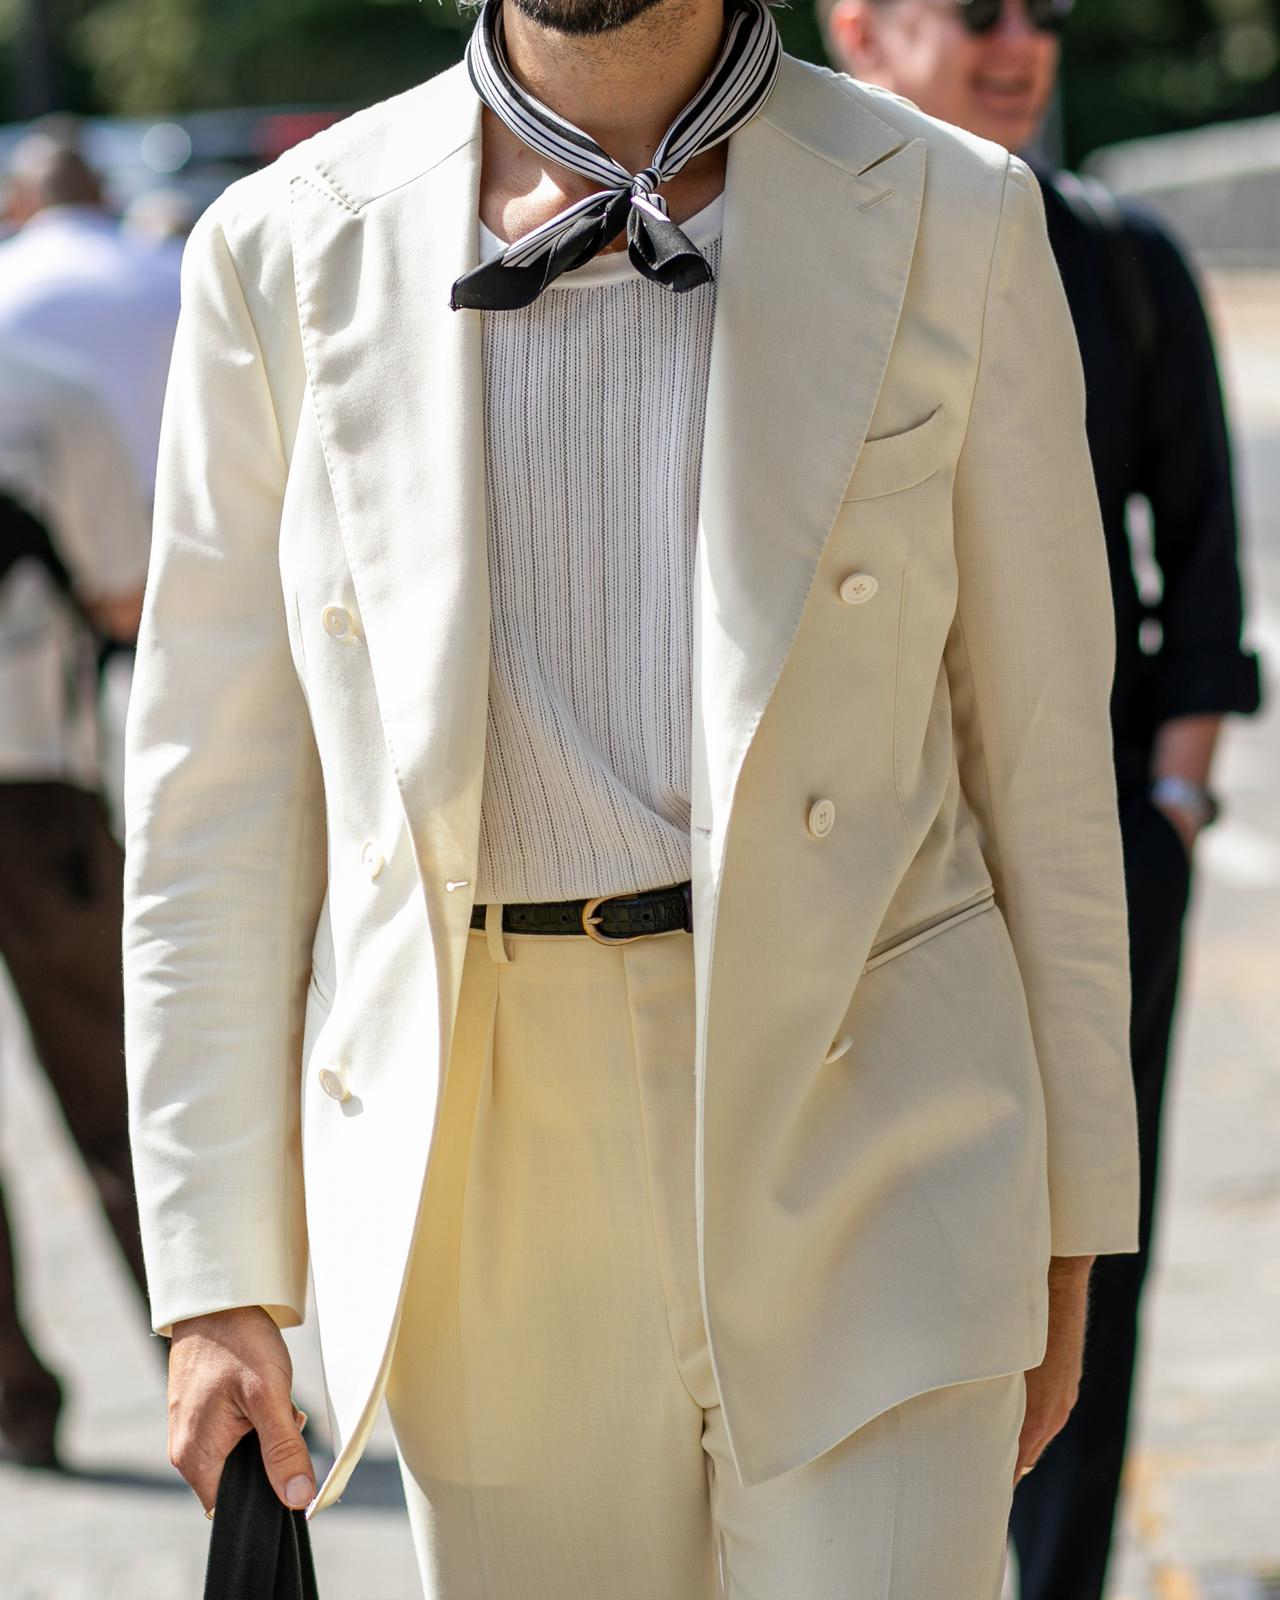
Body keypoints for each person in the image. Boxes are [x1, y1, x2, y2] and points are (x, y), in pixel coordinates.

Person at [123, 0, 1141, 1592]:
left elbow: (1047, 763)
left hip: (880, 1109)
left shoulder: (958, 209)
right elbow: (213, 804)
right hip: (482, 1155)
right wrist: (213, 1273)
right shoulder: (283, 245)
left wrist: (1079, 1214)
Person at [820, 3, 1263, 1598]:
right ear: (860, 28)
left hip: (1103, 842)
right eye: (978, 9)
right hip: (859, 842)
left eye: (1048, 14)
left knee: (1093, 1240)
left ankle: (1056, 1580)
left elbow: (1203, 572)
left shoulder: (1121, 258)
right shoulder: (795, 249)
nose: (1021, 43)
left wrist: (1172, 815)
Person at [0, 332, 151, 1466]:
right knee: (119, 1106)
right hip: (37, 786)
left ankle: (14, 1407)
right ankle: (228, 1384)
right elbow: (126, 598)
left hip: (42, 794)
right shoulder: (49, 396)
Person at [0, 133, 180, 502]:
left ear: (17, 202)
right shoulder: (172, 273)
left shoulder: (7, 278)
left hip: (39, 521)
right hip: (168, 511)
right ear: (101, 194)